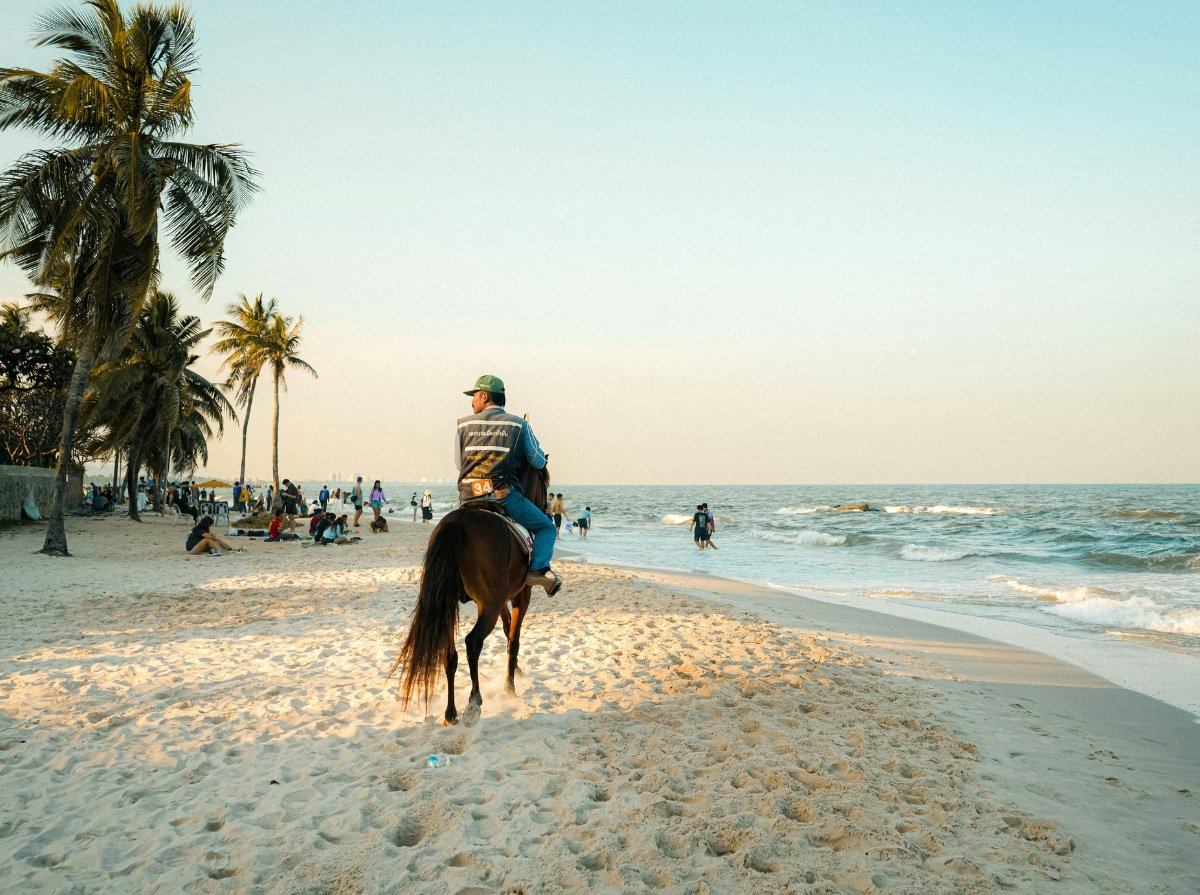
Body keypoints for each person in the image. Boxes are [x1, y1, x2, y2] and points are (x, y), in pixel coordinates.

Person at [458, 374, 561, 596]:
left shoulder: (463, 424)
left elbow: (459, 463)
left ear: (484, 396)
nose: (472, 401)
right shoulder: (519, 425)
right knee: (547, 528)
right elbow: (537, 460)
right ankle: (537, 570)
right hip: (502, 495)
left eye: (474, 396)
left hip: (468, 495)